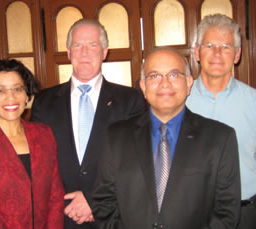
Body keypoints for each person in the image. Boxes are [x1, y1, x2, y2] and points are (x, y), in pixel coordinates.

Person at [92, 48, 241, 229]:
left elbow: (226, 212)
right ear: (143, 87)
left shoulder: (220, 139)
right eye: (154, 76)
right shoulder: (116, 137)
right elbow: (103, 203)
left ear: (188, 83)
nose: (164, 83)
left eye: (173, 74)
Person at [31, 19, 146, 229]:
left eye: (92, 45)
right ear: (68, 52)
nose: (84, 52)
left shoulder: (131, 101)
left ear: (105, 52)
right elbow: (37, 164)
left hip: (111, 216)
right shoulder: (44, 101)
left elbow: (137, 162)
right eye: (77, 45)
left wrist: (94, 201)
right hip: (59, 217)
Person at [0, 59, 65, 229]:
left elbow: (55, 196)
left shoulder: (44, 134)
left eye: (17, 89)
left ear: (27, 95)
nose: (11, 97)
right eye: (0, 90)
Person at [186, 14, 256, 228]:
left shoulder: (253, 101)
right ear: (197, 52)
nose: (217, 53)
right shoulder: (178, 101)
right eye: (209, 45)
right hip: (190, 214)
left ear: (237, 54)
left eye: (226, 47)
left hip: (245, 214)